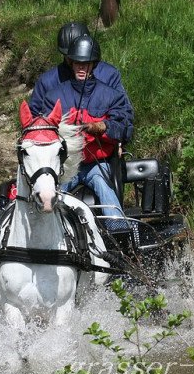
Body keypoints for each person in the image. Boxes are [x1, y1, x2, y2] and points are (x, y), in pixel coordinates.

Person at [40, 34, 133, 231]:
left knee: (103, 186)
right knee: (54, 190)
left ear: (93, 65)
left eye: (86, 64)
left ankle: (120, 232)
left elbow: (124, 128)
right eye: (78, 64)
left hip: (97, 164)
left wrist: (102, 127)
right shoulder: (53, 97)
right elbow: (44, 130)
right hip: (67, 163)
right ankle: (44, 228)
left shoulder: (112, 95)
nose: (81, 68)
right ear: (71, 63)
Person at [29, 21, 134, 144]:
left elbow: (124, 117)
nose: (76, 61)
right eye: (70, 57)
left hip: (103, 146)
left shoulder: (109, 74)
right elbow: (34, 119)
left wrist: (117, 141)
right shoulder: (47, 81)